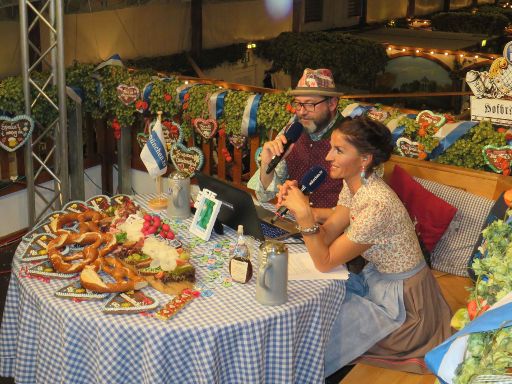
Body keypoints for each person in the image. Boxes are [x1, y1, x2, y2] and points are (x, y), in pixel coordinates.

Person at [276, 116, 452, 375]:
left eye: (339, 150)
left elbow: (323, 262)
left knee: (320, 336)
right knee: (315, 313)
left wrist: (304, 214)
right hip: (379, 282)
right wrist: (300, 208)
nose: (327, 158)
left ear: (365, 159)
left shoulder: (377, 204)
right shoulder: (359, 183)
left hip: (405, 304)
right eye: (331, 148)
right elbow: (328, 232)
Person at [249, 68, 344, 223]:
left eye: (309, 104)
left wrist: (309, 213)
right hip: (293, 222)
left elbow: (359, 211)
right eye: (298, 104)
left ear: (332, 103)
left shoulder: (354, 139)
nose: (301, 112)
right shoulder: (292, 130)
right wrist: (267, 164)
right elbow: (264, 196)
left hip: (334, 230)